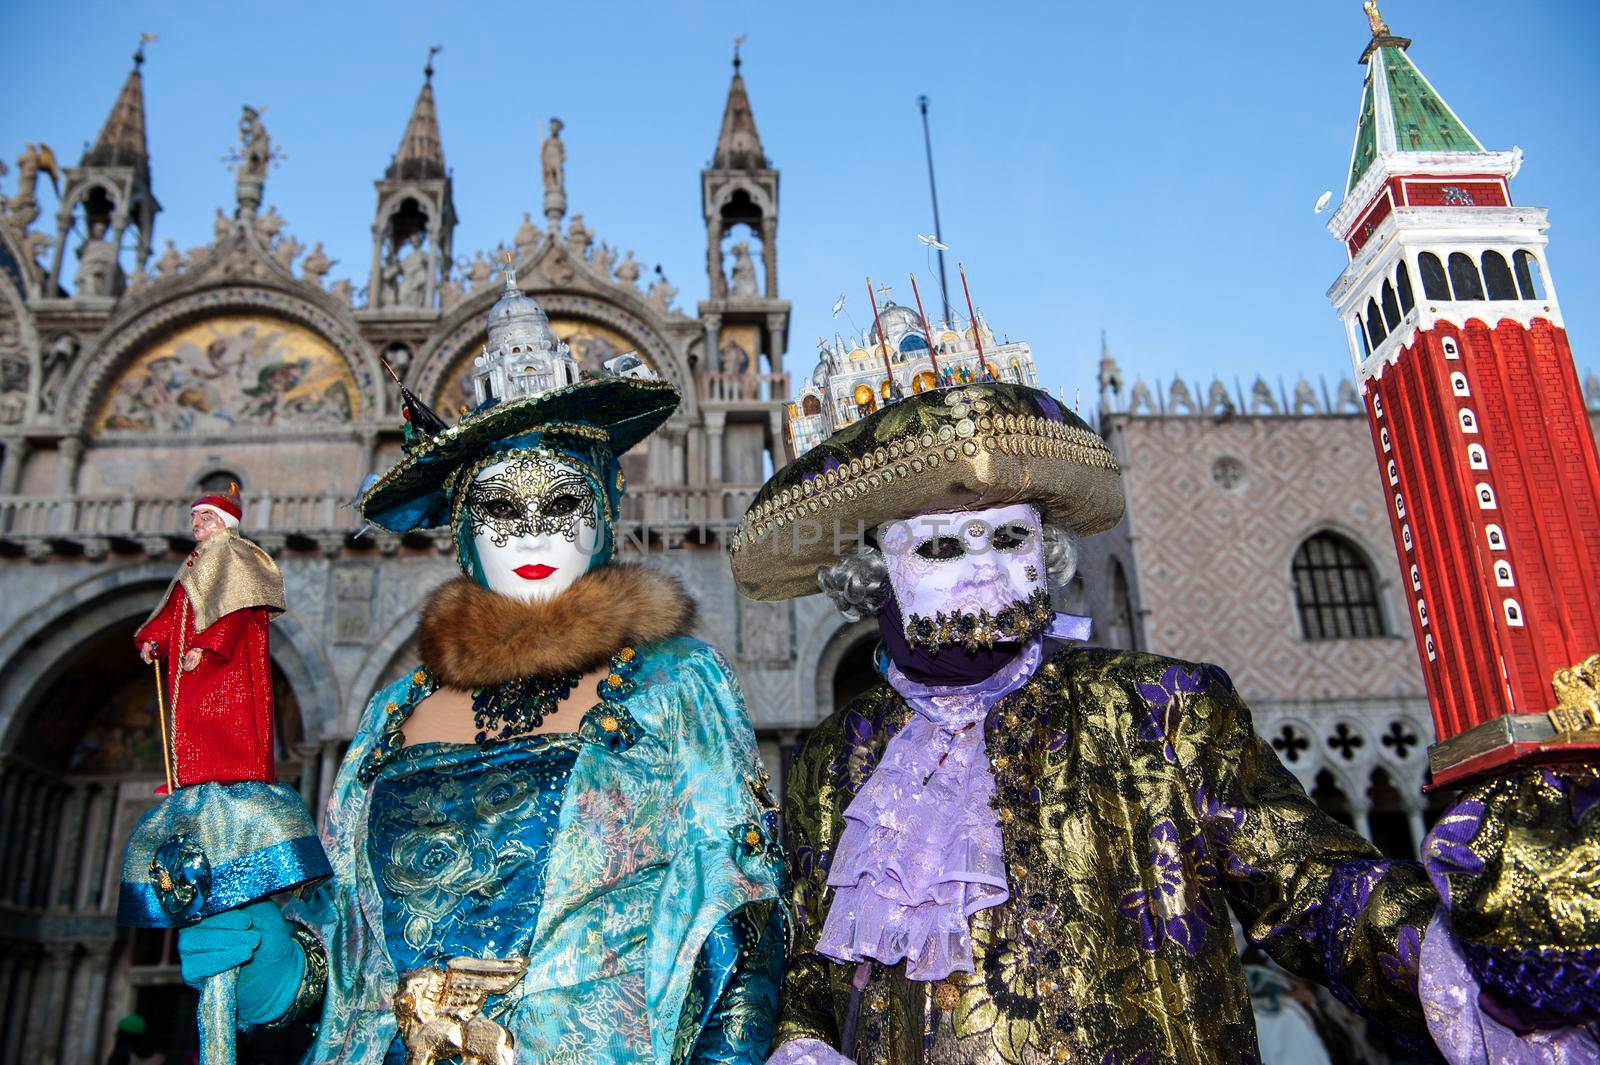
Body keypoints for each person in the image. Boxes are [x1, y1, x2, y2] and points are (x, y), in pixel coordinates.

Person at [730, 380, 1598, 1064]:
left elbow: (1312, 885)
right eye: (942, 547)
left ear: (1049, 548)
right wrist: (800, 1039)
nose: (983, 573)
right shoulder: (835, 759)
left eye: (1008, 538)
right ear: (874, 573)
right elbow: (809, 965)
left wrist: (1482, 936)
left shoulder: (1162, 708)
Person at [176, 274, 787, 1063]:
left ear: (605, 512)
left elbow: (739, 922)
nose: (532, 534)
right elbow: (351, 957)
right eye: (500, 509)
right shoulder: (394, 713)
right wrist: (280, 968)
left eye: (561, 503)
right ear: (463, 532)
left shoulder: (675, 685)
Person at [136, 482, 285, 787]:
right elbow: (179, 607)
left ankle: (227, 775)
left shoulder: (234, 553)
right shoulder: (198, 558)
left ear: (223, 521)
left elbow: (238, 606)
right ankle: (189, 774)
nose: (196, 524)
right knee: (190, 719)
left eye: (205, 517)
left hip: (222, 662)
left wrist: (206, 646)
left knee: (224, 719)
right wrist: (156, 640)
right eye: (195, 517)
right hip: (188, 661)